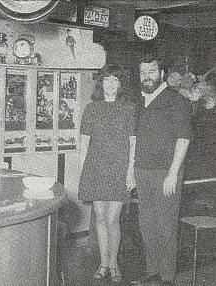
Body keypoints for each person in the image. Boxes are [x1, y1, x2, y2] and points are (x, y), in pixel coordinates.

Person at [130, 54, 193, 286]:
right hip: (143, 171)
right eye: (143, 72)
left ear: (162, 74)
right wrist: (132, 172)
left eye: (151, 72)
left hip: (166, 174)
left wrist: (173, 173)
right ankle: (152, 271)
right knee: (147, 223)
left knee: (166, 224)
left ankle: (167, 278)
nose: (147, 77)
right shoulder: (140, 102)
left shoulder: (177, 101)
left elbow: (183, 139)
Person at [79, 64, 136, 283]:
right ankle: (103, 263)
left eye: (115, 80)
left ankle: (114, 262)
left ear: (120, 85)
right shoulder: (91, 109)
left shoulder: (129, 108)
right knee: (100, 219)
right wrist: (83, 173)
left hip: (119, 170)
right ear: (101, 83)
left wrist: (130, 173)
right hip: (95, 168)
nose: (110, 84)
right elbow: (84, 144)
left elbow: (133, 143)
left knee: (113, 219)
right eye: (106, 80)